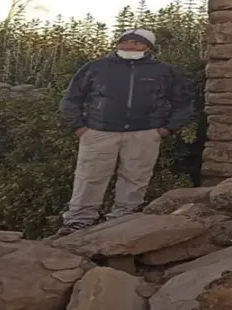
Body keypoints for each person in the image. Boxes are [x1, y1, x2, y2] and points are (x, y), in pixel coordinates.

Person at [57, 28, 195, 235]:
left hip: (145, 133)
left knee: (136, 177)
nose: (130, 45)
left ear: (148, 47)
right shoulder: (96, 68)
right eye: (125, 41)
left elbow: (183, 102)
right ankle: (79, 221)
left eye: (137, 42)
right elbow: (72, 98)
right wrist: (79, 127)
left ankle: (124, 219)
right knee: (90, 176)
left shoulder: (162, 71)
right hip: (99, 132)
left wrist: (167, 129)